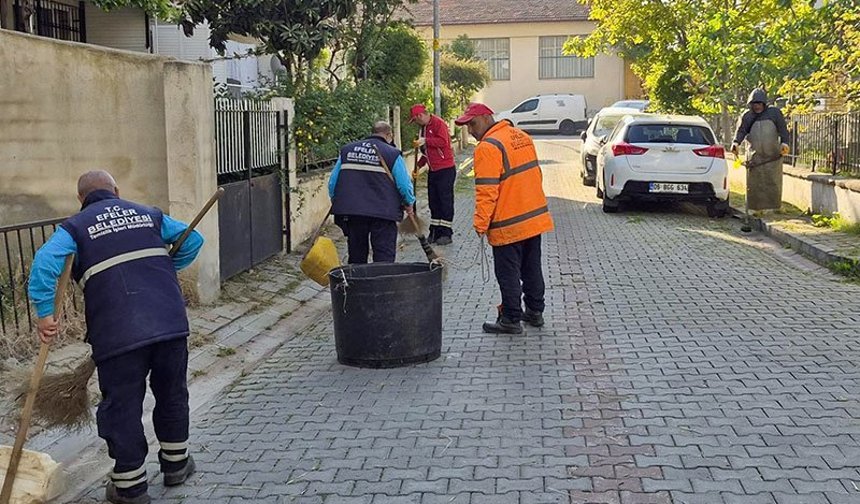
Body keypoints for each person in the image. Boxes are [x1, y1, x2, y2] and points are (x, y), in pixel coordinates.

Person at [28, 170, 204, 504]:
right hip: (169, 322)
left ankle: (130, 487)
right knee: (172, 393)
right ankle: (176, 465)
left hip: (118, 333)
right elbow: (193, 239)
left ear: (80, 199)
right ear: (116, 191)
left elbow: (45, 263)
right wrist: (165, 270)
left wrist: (45, 315)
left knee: (122, 406)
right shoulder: (149, 214)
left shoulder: (74, 228)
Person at [454, 103, 554, 334]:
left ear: (486, 118)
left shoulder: (488, 147)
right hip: (533, 219)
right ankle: (535, 312)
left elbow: (487, 191)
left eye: (472, 124)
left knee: (508, 273)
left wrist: (480, 224)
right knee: (531, 268)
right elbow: (535, 176)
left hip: (508, 224)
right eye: (467, 126)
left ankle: (510, 318)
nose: (470, 130)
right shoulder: (521, 137)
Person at [329, 121, 416, 264]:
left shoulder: (347, 150)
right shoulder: (392, 153)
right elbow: (404, 185)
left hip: (353, 211)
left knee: (356, 254)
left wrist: (336, 200)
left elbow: (333, 182)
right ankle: (381, 277)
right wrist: (409, 202)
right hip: (383, 212)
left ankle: (357, 277)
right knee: (384, 256)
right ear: (389, 135)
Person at [731, 88, 791, 212]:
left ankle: (774, 207)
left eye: (759, 103)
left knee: (773, 182)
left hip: (773, 157)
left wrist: (785, 143)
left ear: (764, 103)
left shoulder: (775, 113)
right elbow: (741, 131)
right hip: (755, 158)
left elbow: (783, 130)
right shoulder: (747, 116)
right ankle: (755, 208)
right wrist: (736, 143)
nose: (757, 106)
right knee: (755, 185)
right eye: (754, 104)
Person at [410, 104, 456, 245]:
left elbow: (443, 142)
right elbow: (427, 152)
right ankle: (434, 231)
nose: (416, 123)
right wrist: (418, 166)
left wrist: (426, 140)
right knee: (434, 202)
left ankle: (446, 233)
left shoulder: (438, 123)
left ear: (420, 115)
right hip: (433, 170)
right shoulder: (423, 128)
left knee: (444, 201)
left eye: (415, 120)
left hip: (445, 169)